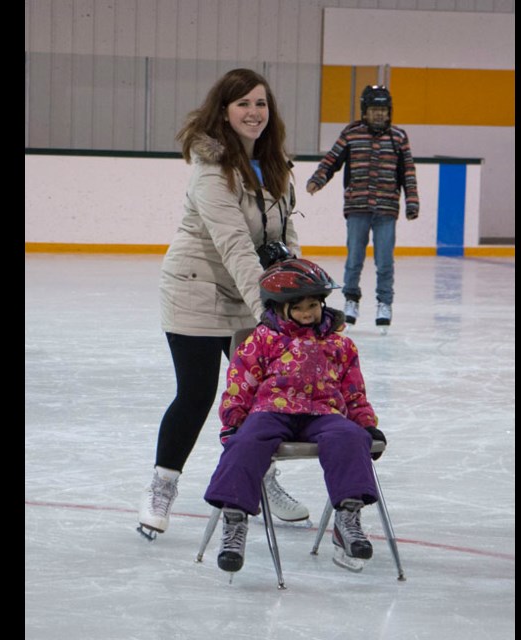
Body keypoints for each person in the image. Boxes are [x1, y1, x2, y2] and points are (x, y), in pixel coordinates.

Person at [138, 68, 309, 541]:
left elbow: (283, 234)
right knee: (196, 395)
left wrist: (294, 294)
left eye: (261, 104)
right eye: (243, 105)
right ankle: (161, 488)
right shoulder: (211, 169)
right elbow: (234, 244)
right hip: (197, 288)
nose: (254, 113)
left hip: (251, 290)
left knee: (262, 398)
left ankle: (263, 478)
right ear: (224, 111)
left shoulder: (276, 164)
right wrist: (269, 313)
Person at [203, 258, 388, 574]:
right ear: (279, 307)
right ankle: (234, 523)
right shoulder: (263, 339)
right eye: (299, 307)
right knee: (245, 443)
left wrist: (366, 424)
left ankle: (348, 519)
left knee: (350, 437)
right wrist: (233, 421)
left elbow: (354, 390)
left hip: (323, 412)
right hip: (272, 410)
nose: (307, 313)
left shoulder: (339, 344)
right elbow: (240, 383)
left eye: (313, 305)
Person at [306, 85, 420, 333]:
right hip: (357, 207)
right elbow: (331, 160)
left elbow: (408, 173)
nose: (379, 115)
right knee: (354, 258)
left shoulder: (398, 137)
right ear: (364, 112)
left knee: (385, 261)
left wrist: (412, 202)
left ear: (389, 112)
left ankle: (384, 303)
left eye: (383, 110)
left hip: (387, 209)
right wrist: (318, 179)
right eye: (374, 110)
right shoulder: (352, 134)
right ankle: (351, 299)